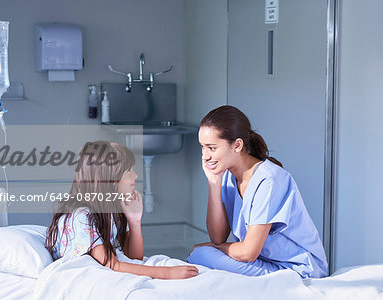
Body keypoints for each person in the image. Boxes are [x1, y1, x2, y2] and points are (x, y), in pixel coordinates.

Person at [186, 105, 328, 278]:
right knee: (201, 255)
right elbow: (217, 237)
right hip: (265, 262)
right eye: (202, 147)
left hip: (299, 270)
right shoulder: (229, 177)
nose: (205, 156)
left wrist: (213, 248)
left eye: (211, 148)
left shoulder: (269, 179)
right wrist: (214, 182)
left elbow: (248, 252)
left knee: (201, 254)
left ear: (237, 145)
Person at [46, 141, 198, 279]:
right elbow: (111, 264)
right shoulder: (82, 216)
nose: (136, 175)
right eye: (129, 171)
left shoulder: (113, 210)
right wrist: (167, 273)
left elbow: (134, 257)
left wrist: (135, 220)